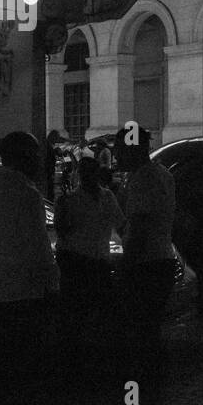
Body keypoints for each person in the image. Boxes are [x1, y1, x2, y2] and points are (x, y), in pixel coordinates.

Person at [0, 131, 59, 405]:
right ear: (22, 156)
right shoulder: (27, 192)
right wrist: (53, 284)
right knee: (25, 365)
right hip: (24, 294)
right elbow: (39, 246)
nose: (39, 160)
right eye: (34, 154)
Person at [116, 125, 175, 405]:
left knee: (138, 342)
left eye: (119, 148)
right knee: (151, 337)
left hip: (145, 265)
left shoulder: (141, 179)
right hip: (164, 259)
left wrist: (125, 269)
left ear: (132, 148)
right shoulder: (163, 174)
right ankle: (152, 404)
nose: (116, 154)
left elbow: (138, 228)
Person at [54, 156, 126, 378]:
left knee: (81, 316)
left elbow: (62, 231)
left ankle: (82, 363)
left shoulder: (74, 200)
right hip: (92, 262)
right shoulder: (105, 197)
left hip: (82, 263)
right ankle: (90, 363)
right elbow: (121, 225)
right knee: (92, 317)